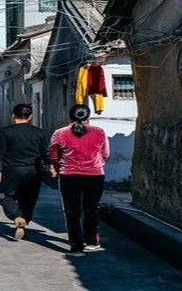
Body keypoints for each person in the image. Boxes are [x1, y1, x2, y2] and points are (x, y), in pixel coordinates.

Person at [49, 104, 109, 256]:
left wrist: (57, 167)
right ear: (88, 117)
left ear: (69, 116)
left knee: (72, 211)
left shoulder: (59, 133)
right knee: (92, 209)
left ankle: (76, 247)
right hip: (95, 175)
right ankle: (92, 242)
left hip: (69, 176)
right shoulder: (99, 132)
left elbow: (54, 156)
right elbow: (106, 154)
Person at [0, 104, 49, 240]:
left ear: (13, 116)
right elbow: (45, 154)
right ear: (30, 117)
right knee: (29, 199)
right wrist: (51, 168)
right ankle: (23, 220)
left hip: (12, 171)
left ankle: (16, 216)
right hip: (33, 171)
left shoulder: (5, 132)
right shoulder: (40, 132)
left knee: (5, 196)